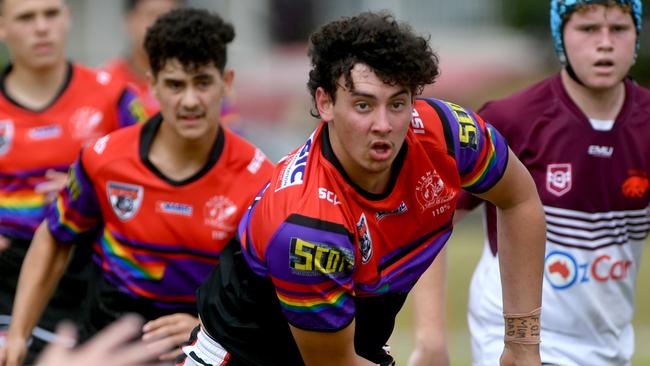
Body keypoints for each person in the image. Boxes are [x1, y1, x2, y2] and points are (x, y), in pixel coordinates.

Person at [176, 10, 546, 366]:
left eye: (397, 103)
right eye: (363, 105)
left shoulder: (451, 136)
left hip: (349, 343)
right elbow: (333, 363)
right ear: (325, 102)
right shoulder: (308, 224)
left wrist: (522, 345)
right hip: (248, 356)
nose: (383, 124)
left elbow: (519, 199)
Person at [0, 7, 274, 366]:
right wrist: (19, 334)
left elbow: (270, 291)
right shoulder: (103, 159)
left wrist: (206, 327)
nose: (190, 100)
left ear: (227, 82)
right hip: (108, 335)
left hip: (202, 344)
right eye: (175, 84)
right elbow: (55, 237)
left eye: (203, 82)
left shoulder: (260, 179)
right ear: (152, 84)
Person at [411, 1, 649, 365]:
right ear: (560, 36)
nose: (605, 43)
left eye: (618, 29)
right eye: (587, 29)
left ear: (636, 37)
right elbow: (432, 220)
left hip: (607, 345)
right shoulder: (513, 119)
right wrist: (430, 340)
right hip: (510, 339)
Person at [0, 0, 146, 363]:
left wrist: (88, 187)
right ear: (2, 27)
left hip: (89, 276)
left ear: (67, 19)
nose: (41, 27)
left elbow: (154, 179)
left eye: (51, 14)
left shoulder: (114, 97)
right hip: (6, 278)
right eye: (26, 17)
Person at [102, 0, 239, 127]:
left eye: (168, 16)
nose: (160, 25)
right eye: (151, 15)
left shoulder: (208, 82)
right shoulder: (104, 83)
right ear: (129, 21)